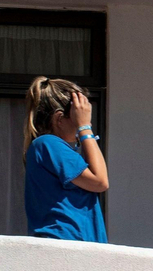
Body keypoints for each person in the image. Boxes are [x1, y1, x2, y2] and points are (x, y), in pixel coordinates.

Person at [23, 77, 109, 242]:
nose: (82, 124)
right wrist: (85, 128)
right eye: (78, 118)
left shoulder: (53, 148)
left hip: (75, 246)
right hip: (66, 243)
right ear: (59, 119)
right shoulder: (48, 143)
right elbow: (100, 181)